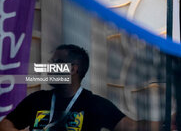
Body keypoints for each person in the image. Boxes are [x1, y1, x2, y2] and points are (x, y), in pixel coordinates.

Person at [0, 44, 162, 131]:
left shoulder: (94, 105)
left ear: (72, 69)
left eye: (55, 63)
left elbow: (131, 126)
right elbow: (5, 124)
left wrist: (168, 124)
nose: (49, 67)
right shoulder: (37, 99)